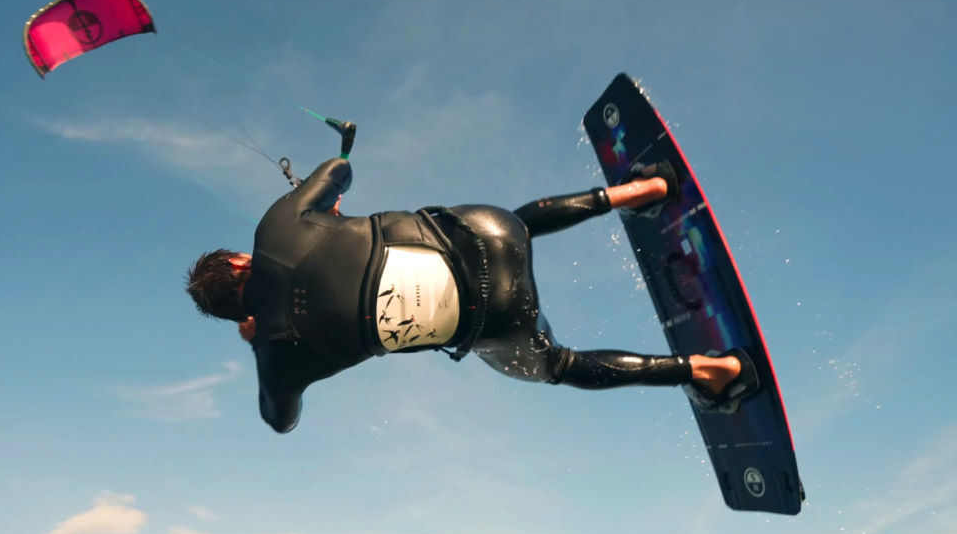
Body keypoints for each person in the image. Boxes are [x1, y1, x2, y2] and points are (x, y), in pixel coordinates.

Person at [186, 157, 758, 433]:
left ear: (236, 314)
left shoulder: (277, 356)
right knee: (517, 224)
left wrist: (260, 343)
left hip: (497, 320)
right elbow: (339, 167)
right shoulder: (274, 228)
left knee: (559, 366)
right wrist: (327, 207)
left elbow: (279, 421)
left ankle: (711, 370)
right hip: (486, 233)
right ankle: (645, 189)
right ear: (238, 261)